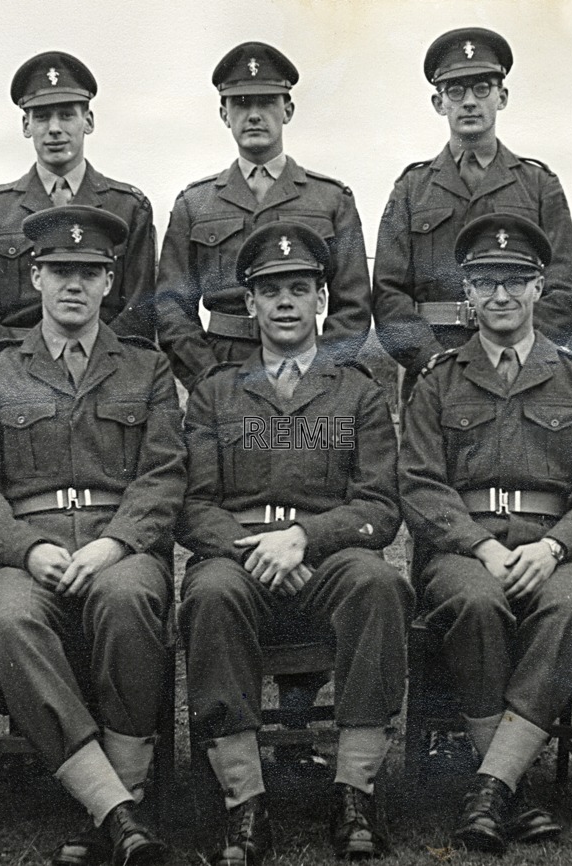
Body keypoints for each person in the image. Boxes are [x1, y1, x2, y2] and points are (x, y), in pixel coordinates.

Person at [0, 205, 184, 866]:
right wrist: (27, 550)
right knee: (10, 619)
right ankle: (117, 808)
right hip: (32, 551)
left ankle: (115, 797)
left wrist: (114, 545)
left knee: (130, 598)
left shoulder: (147, 369)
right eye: (59, 270)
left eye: (88, 271)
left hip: (121, 547)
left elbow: (164, 475)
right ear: (36, 277)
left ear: (110, 282)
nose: (73, 284)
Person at [179, 222, 410, 863]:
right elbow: (193, 506)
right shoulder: (214, 393)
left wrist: (304, 538)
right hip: (239, 562)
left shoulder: (358, 392)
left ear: (321, 302)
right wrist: (259, 548)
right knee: (210, 593)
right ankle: (244, 804)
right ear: (248, 304)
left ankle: (355, 793)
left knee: (380, 582)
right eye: (270, 290)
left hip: (326, 563)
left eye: (299, 288)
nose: (285, 302)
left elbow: (378, 507)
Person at [398, 213, 572, 853]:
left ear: (538, 289)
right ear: (466, 291)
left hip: (553, 546)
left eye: (514, 282)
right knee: (473, 601)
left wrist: (554, 548)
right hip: (466, 549)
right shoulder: (438, 379)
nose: (500, 296)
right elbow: (419, 482)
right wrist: (482, 546)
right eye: (485, 282)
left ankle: (491, 788)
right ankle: (512, 788)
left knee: (571, 607)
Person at [373, 27, 572, 398]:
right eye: (456, 91)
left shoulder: (538, 185)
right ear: (440, 103)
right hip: (433, 374)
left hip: (521, 377)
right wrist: (433, 363)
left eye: (482, 88)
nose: (469, 101)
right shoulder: (411, 189)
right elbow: (389, 295)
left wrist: (520, 358)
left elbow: (563, 290)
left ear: (502, 97)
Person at [155, 41, 372, 387]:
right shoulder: (194, 204)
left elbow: (353, 305)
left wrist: (320, 373)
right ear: (224, 114)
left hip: (307, 363)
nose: (254, 114)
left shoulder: (330, 199)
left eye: (267, 102)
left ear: (287, 110)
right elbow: (172, 307)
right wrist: (208, 377)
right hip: (223, 364)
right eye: (241, 103)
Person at [0, 51, 157, 357]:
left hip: (106, 367)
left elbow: (138, 312)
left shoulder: (129, 207)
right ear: (26, 125)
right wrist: (11, 375)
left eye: (66, 115)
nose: (54, 128)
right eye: (41, 116)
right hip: (16, 370)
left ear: (88, 121)